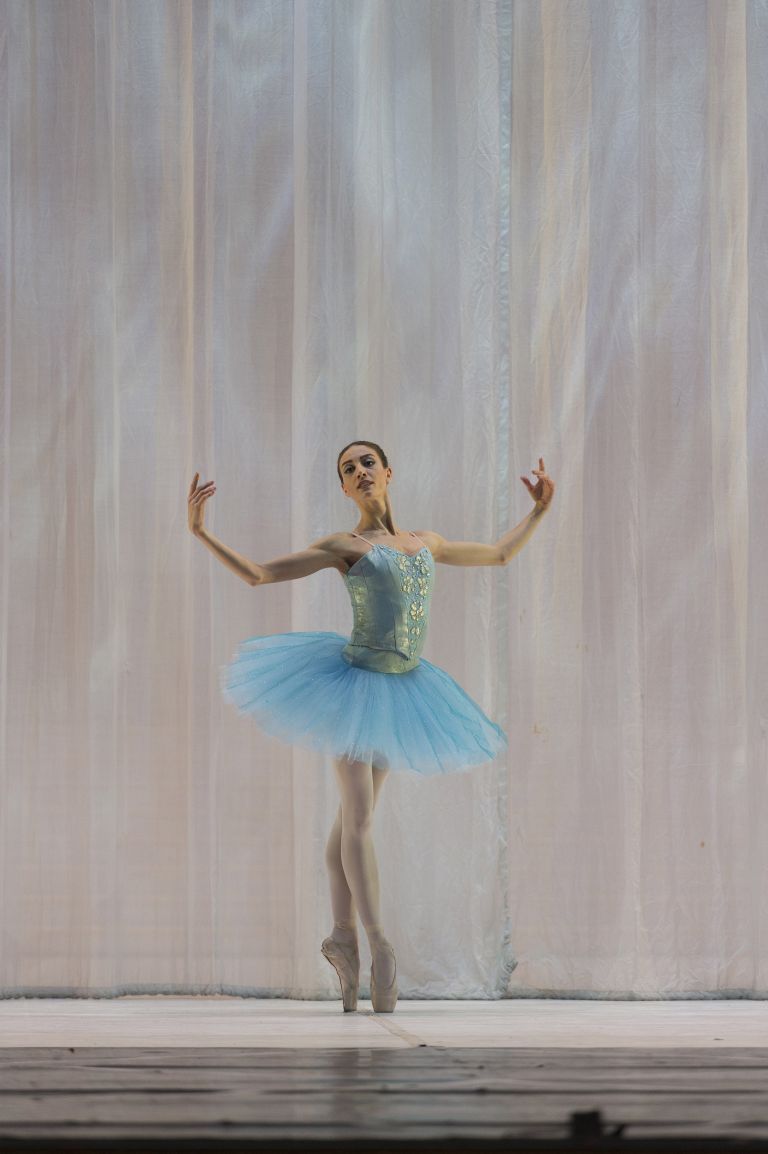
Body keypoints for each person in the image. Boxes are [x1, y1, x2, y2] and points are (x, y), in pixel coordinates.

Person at [188, 441, 555, 1014]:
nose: (359, 472)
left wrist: (537, 512)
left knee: (346, 832)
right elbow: (261, 575)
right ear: (343, 488)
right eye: (346, 469)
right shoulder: (345, 546)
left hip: (403, 689)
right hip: (353, 686)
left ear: (388, 472)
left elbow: (499, 556)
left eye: (366, 463)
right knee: (358, 819)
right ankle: (379, 944)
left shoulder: (424, 542)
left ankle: (341, 939)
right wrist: (201, 533)